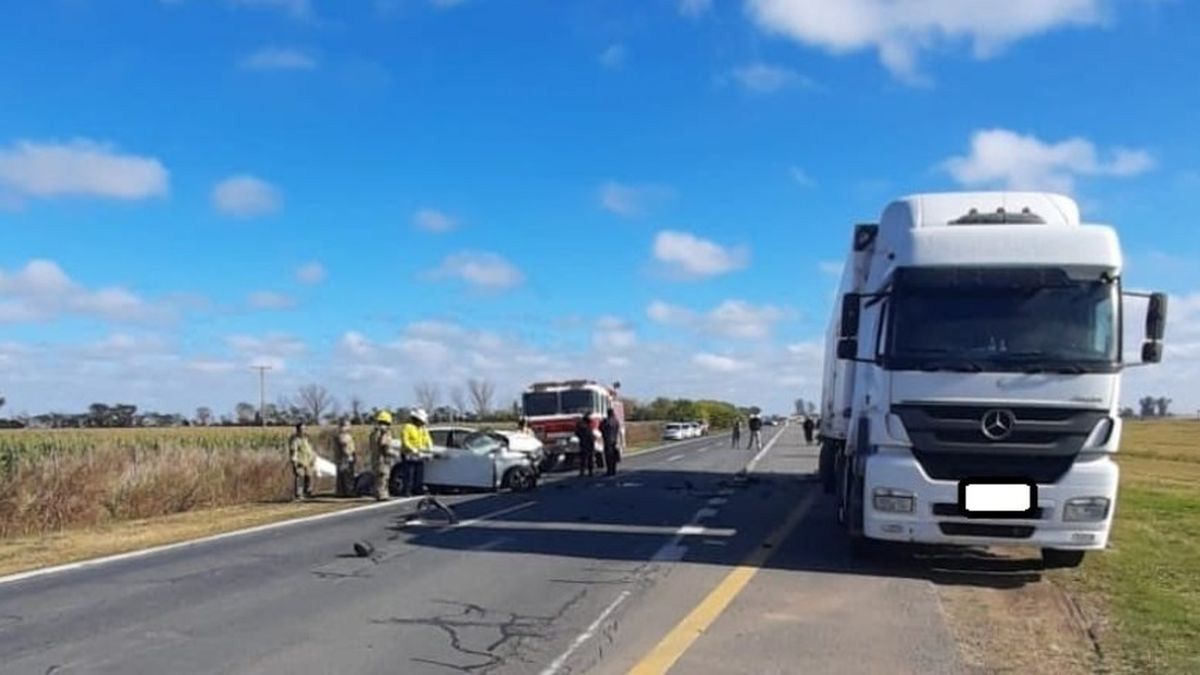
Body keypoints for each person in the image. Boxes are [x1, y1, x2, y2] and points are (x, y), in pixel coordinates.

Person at [399, 408, 433, 497]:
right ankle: (406, 491)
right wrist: (412, 449)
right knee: (409, 473)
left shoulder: (422, 429)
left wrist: (429, 447)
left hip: (419, 454)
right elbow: (405, 441)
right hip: (408, 453)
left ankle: (417, 489)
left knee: (419, 473)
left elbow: (427, 438)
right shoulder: (408, 427)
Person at [369, 410, 398, 501]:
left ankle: (377, 494)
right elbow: (385, 445)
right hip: (383, 459)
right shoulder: (384, 432)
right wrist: (395, 454)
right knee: (383, 478)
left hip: (375, 458)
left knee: (378, 478)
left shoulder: (373, 433)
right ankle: (382, 495)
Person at [287, 422, 316, 501]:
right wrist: (294, 461)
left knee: (309, 477)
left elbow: (310, 450)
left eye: (304, 429)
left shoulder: (307, 439)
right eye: (301, 429)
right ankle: (299, 495)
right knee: (300, 478)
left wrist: (313, 458)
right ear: (297, 430)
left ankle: (307, 492)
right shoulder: (295, 440)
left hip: (308, 462)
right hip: (300, 462)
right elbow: (293, 451)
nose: (303, 431)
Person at [334, 418, 357, 497]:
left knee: (341, 475)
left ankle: (340, 492)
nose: (349, 427)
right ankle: (349, 492)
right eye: (348, 425)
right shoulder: (343, 436)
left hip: (340, 459)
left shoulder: (339, 435)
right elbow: (344, 447)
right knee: (347, 475)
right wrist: (349, 455)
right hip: (345, 458)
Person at [600, 408, 622, 477]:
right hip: (614, 440)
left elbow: (600, 428)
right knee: (613, 455)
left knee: (608, 456)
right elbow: (618, 429)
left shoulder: (605, 421)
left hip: (607, 440)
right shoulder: (616, 421)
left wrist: (604, 434)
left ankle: (609, 470)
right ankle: (613, 470)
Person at [575, 412, 597, 477]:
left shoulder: (580, 424)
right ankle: (590, 472)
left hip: (583, 442)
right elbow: (591, 433)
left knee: (583, 458)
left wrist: (581, 437)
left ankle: (582, 472)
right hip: (589, 442)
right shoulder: (588, 424)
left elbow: (577, 433)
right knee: (589, 457)